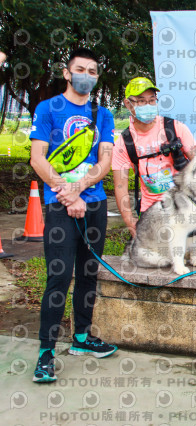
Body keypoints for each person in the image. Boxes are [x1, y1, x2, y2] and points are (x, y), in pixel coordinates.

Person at [30, 48, 117, 382]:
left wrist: (79, 188)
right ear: (67, 73)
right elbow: (38, 158)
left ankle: (82, 336)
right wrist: (65, 192)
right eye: (80, 69)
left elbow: (105, 160)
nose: (86, 76)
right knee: (59, 275)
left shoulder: (103, 114)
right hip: (59, 204)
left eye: (92, 71)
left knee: (88, 273)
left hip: (94, 202)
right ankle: (46, 352)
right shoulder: (47, 108)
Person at [111, 77, 196, 237]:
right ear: (128, 104)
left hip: (185, 206)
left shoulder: (175, 128)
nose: (148, 105)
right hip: (151, 212)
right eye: (141, 101)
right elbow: (120, 186)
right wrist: (130, 222)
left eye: (152, 100)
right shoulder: (124, 142)